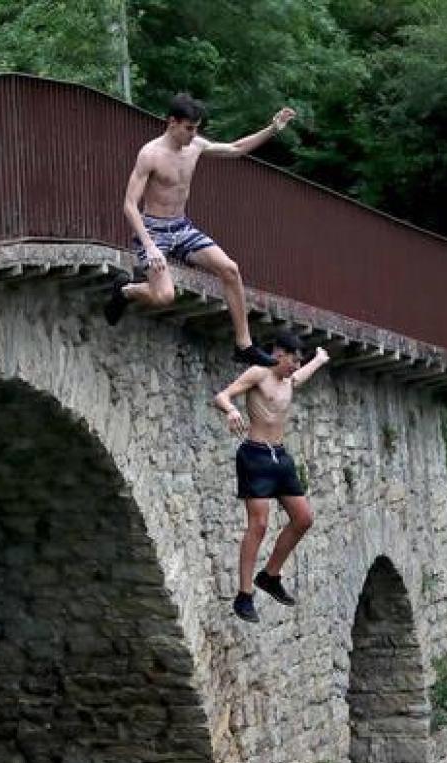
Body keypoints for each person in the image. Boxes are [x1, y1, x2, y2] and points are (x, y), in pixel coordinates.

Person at [104, 93, 298, 366]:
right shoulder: (151, 154)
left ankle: (244, 345)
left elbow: (235, 149)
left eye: (196, 129)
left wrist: (272, 129)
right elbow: (129, 205)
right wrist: (148, 245)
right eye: (189, 128)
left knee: (230, 269)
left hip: (182, 227)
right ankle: (125, 289)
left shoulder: (194, 146)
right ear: (172, 123)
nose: (193, 135)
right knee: (164, 296)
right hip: (153, 231)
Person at [213, 331, 327, 623]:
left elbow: (303, 375)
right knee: (259, 525)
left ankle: (270, 576)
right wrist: (230, 410)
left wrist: (320, 359)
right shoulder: (258, 373)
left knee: (303, 518)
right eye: (293, 360)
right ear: (279, 354)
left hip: (280, 457)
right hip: (255, 456)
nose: (295, 366)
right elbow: (222, 395)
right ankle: (244, 594)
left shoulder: (290, 379)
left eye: (298, 361)